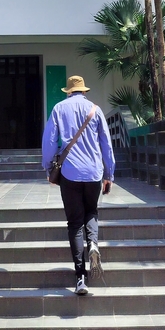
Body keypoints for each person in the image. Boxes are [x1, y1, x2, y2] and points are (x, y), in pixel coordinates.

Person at [41, 75, 116, 296]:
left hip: (70, 173)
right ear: (84, 91)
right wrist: (109, 172)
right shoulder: (96, 110)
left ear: (68, 91)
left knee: (75, 223)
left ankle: (80, 278)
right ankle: (93, 243)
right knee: (91, 211)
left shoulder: (58, 109)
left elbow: (49, 141)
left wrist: (48, 168)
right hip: (93, 172)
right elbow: (106, 143)